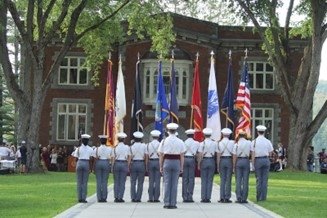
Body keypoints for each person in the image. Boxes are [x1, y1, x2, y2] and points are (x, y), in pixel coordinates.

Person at [158, 123, 185, 209]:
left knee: (167, 183)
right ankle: (173, 203)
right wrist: (181, 167)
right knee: (174, 184)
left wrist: (161, 166)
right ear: (175, 131)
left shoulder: (164, 141)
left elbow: (161, 155)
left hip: (167, 161)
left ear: (168, 131)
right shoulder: (180, 141)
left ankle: (166, 203)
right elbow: (182, 156)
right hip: (176, 161)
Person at [251, 125, 274, 201]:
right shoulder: (267, 141)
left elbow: (253, 154)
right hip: (266, 159)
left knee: (258, 179)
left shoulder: (254, 142)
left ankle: (258, 196)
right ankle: (263, 197)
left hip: (258, 160)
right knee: (265, 180)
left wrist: (253, 163)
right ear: (264, 132)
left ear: (257, 132)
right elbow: (271, 152)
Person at [72, 134, 94, 203]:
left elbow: (75, 158)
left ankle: (79, 198)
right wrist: (91, 168)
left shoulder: (78, 149)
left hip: (79, 162)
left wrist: (75, 164)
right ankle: (83, 198)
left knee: (79, 181)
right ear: (88, 141)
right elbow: (91, 159)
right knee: (84, 182)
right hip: (86, 163)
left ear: (82, 141)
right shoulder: (90, 149)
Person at [197, 128, 216, 203]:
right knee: (210, 180)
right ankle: (208, 197)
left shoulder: (202, 144)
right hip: (211, 160)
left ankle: (203, 197)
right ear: (210, 135)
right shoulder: (214, 143)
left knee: (204, 180)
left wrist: (198, 164)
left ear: (204, 135)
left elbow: (200, 155)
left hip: (204, 161)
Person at [232, 129, 251, 203]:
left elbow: (234, 156)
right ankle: (244, 198)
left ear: (239, 136)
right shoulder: (249, 143)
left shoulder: (236, 144)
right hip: (246, 160)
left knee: (238, 180)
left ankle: (238, 197)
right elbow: (251, 152)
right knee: (245, 180)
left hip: (239, 161)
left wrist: (234, 165)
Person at [112, 132, 131, 203]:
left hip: (117, 163)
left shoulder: (115, 147)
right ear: (124, 140)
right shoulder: (127, 147)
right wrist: (128, 165)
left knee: (116, 181)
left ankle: (116, 197)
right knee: (122, 182)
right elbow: (129, 157)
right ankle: (121, 197)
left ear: (118, 139)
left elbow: (113, 158)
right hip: (124, 163)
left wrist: (113, 166)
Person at [217, 128, 234, 203]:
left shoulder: (219, 143)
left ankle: (222, 197)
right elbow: (234, 154)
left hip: (222, 160)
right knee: (228, 179)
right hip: (229, 160)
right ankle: (227, 197)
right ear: (229, 135)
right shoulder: (232, 143)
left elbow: (218, 155)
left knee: (222, 179)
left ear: (222, 134)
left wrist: (218, 165)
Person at [93, 135, 113, 202]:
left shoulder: (97, 149)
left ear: (100, 141)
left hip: (99, 162)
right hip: (106, 162)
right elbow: (111, 157)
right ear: (106, 141)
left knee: (99, 181)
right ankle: (104, 197)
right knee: (105, 181)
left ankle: (99, 197)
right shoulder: (109, 148)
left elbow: (94, 157)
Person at [182, 129, 200, 203]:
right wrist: (198, 163)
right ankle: (190, 196)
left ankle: (184, 196)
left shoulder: (183, 142)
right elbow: (198, 154)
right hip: (192, 159)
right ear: (193, 135)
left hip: (185, 159)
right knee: (191, 178)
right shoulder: (196, 143)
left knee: (185, 178)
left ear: (187, 135)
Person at [130, 131, 147, 202]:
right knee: (140, 182)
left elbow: (130, 157)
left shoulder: (131, 146)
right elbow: (146, 156)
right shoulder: (144, 146)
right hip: (141, 163)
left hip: (134, 163)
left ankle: (133, 197)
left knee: (133, 182)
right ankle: (138, 198)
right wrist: (146, 165)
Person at [147, 130, 161, 203]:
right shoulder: (160, 144)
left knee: (151, 180)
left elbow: (147, 155)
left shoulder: (148, 145)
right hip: (158, 162)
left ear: (152, 137)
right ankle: (156, 198)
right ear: (158, 137)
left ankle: (150, 197)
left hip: (151, 161)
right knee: (157, 180)